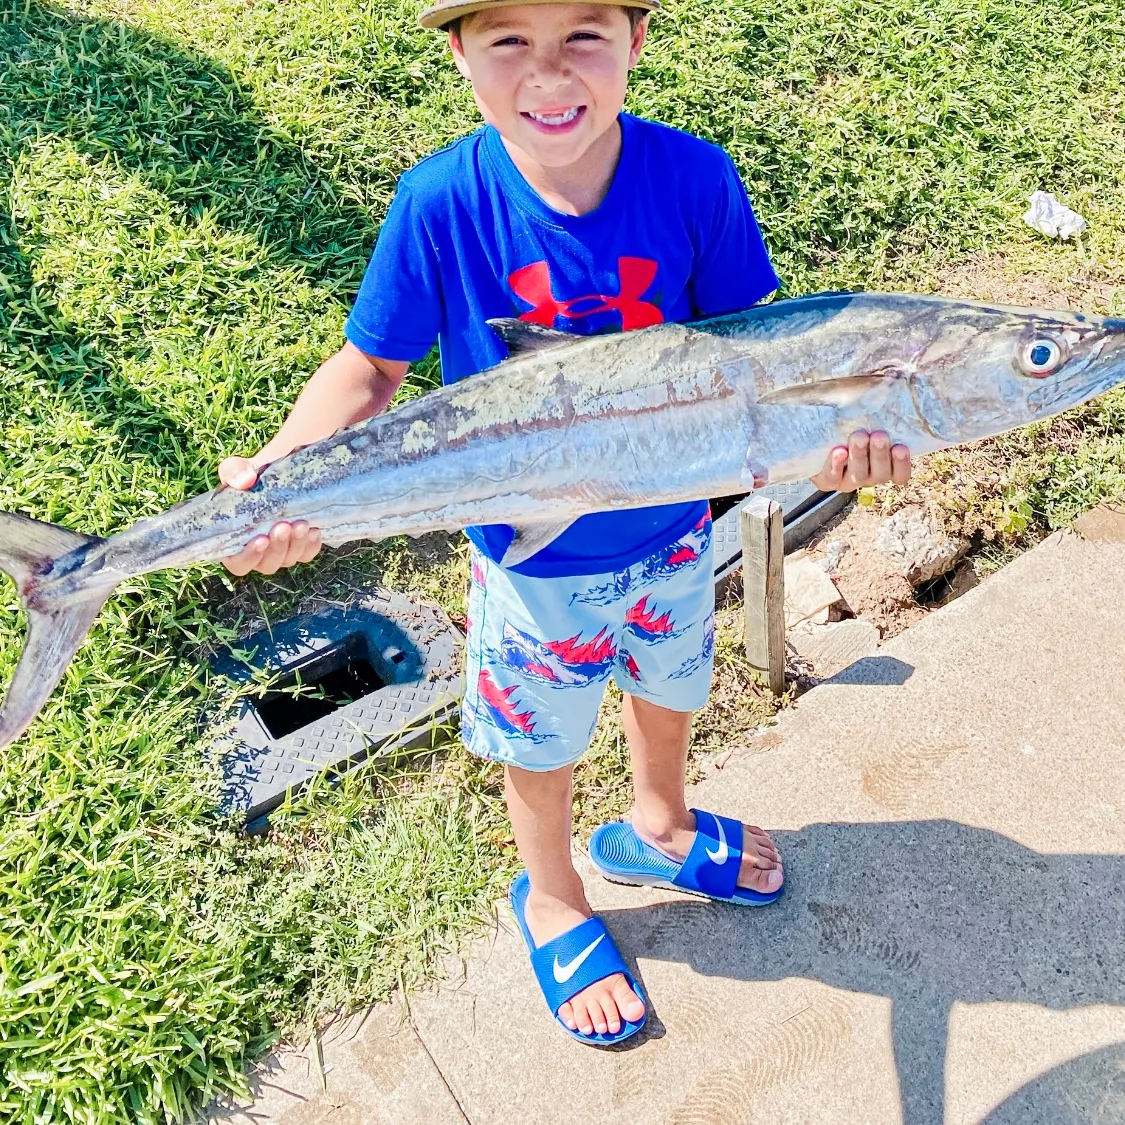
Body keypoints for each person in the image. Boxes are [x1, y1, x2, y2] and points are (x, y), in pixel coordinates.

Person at [216, 0, 911, 1045]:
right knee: (539, 744)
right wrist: (283, 471)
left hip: (676, 534)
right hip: (528, 564)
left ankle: (659, 825)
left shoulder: (693, 178)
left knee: (670, 685)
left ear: (636, 39)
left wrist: (849, 442)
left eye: (583, 34)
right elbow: (369, 370)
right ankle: (550, 896)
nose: (549, 73)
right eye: (509, 41)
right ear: (458, 54)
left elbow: (760, 363)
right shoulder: (442, 201)